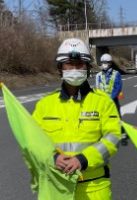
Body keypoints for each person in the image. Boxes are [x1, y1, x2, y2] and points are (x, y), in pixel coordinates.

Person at [32, 38, 121, 200]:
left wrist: (84, 159)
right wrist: (52, 158)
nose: (74, 68)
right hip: (55, 187)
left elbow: (113, 138)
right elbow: (32, 141)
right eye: (69, 64)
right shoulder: (44, 105)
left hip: (94, 188)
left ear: (87, 67)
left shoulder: (103, 102)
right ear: (60, 68)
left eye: (80, 64)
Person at [95, 53, 128, 145]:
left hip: (113, 101)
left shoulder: (116, 74)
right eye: (102, 62)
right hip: (102, 102)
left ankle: (123, 135)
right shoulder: (98, 75)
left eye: (106, 62)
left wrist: (111, 98)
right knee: (100, 119)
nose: (104, 64)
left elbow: (118, 87)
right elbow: (97, 88)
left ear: (110, 63)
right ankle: (101, 136)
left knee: (117, 117)